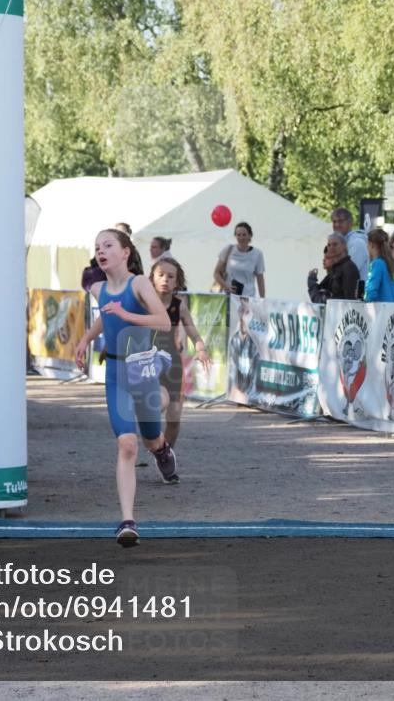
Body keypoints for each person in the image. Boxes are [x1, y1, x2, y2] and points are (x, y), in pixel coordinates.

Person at [74, 228, 175, 547]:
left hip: (141, 368)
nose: (101, 251)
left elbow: (163, 322)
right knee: (127, 445)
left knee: (150, 438)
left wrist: (126, 313)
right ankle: (127, 521)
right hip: (116, 371)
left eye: (108, 245)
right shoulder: (100, 288)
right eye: (97, 247)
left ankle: (161, 449)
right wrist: (86, 339)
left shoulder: (140, 283)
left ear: (125, 252)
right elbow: (106, 317)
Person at [150, 257, 211, 448]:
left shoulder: (179, 306)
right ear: (152, 278)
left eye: (170, 276)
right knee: (158, 404)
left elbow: (194, 333)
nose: (165, 280)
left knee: (175, 419)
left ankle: (166, 455)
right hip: (148, 363)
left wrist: (201, 349)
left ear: (177, 282)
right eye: (160, 275)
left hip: (173, 365)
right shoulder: (144, 303)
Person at [213, 222, 266, 297]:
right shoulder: (228, 249)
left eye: (244, 235)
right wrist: (226, 286)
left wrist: (262, 300)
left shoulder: (257, 254)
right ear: (235, 236)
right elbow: (216, 273)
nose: (241, 238)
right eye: (238, 235)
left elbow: (260, 280)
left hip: (248, 298)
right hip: (229, 297)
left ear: (250, 236)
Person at [307, 234, 359, 302]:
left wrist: (311, 281)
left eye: (335, 244)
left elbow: (350, 300)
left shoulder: (348, 267)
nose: (331, 247)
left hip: (342, 310)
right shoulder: (336, 268)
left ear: (344, 246)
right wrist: (312, 279)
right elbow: (319, 295)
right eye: (329, 245)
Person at [330, 208, 369, 284]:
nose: (337, 225)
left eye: (341, 221)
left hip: (355, 294)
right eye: (334, 221)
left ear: (350, 223)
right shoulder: (342, 242)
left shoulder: (357, 243)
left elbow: (348, 274)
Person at [364, 229, 394, 303]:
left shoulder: (377, 264)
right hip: (393, 308)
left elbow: (372, 290)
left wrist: (365, 301)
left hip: (382, 310)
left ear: (371, 245)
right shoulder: (391, 263)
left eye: (367, 244)